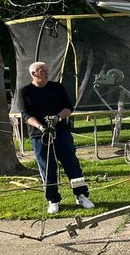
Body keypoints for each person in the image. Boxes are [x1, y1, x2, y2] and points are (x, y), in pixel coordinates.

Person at [16, 62, 94, 214]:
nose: (46, 72)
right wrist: (40, 126)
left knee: (72, 165)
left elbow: (68, 108)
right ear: (34, 74)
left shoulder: (57, 87)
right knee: (47, 168)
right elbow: (25, 115)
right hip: (40, 136)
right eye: (42, 70)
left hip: (61, 133)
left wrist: (57, 118)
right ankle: (53, 200)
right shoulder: (25, 91)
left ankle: (81, 195)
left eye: (47, 69)